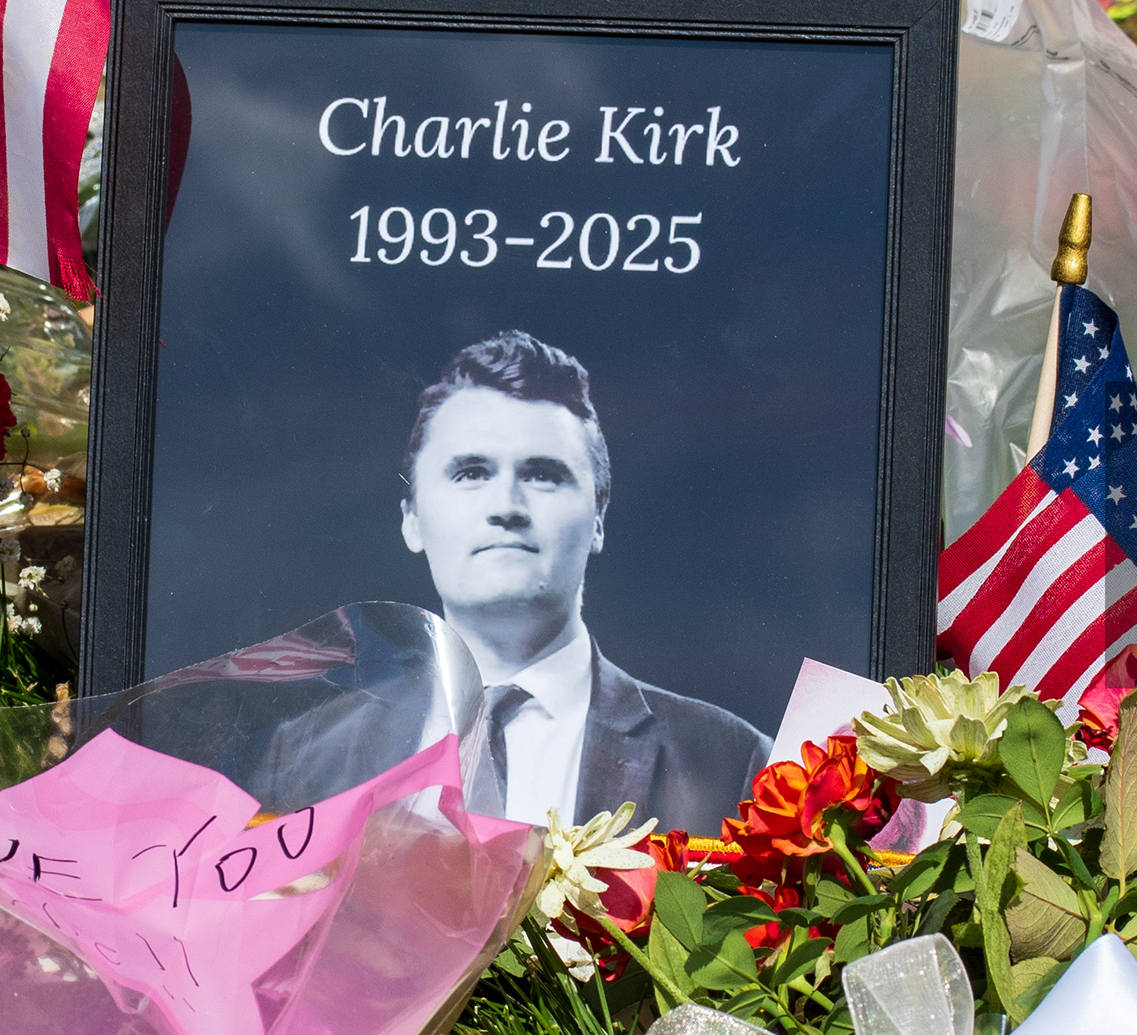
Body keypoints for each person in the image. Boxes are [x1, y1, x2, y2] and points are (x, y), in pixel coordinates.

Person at [231, 328, 770, 833]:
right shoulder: (304, 755)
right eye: (471, 473)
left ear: (599, 518)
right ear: (412, 518)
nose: (507, 507)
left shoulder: (733, 762)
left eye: (542, 474)